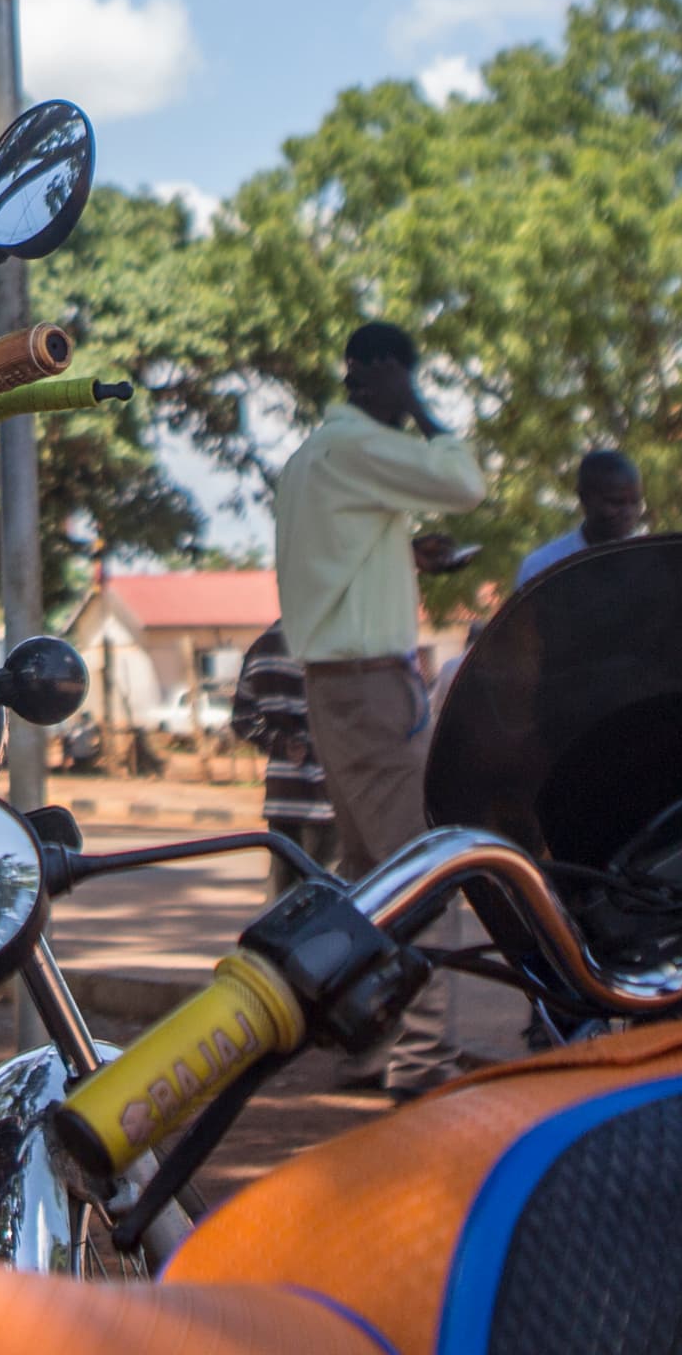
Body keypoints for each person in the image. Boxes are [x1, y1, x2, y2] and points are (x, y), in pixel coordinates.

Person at [269, 320, 489, 1096]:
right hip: (371, 685)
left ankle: (362, 1044)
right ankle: (423, 1064)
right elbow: (466, 483)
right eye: (405, 375)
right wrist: (425, 409)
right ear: (380, 373)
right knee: (422, 873)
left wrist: (404, 552)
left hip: (339, 687)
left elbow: (338, 564)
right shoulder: (356, 446)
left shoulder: (313, 460)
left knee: (367, 875)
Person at [227, 622, 335, 885]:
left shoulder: (262, 647)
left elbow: (241, 718)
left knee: (285, 891)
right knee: (324, 888)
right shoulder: (327, 641)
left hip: (282, 793)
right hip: (326, 794)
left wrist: (279, 743)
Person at [515, 448, 649, 588]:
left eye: (635, 502)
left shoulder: (651, 564)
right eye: (616, 502)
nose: (628, 513)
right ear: (585, 498)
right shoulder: (543, 566)